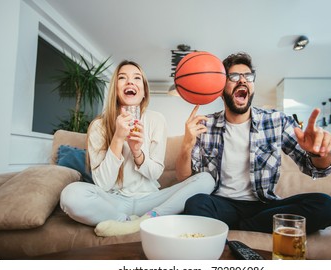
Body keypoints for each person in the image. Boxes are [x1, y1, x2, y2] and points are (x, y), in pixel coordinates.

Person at [176, 52, 331, 234]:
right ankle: (255, 225)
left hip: (264, 205)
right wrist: (186, 146)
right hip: (221, 205)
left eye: (248, 76)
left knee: (326, 206)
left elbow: (317, 168)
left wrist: (318, 153)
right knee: (195, 203)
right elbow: (185, 179)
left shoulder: (277, 121)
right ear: (221, 90)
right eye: (234, 77)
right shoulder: (205, 125)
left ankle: (244, 225)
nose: (242, 81)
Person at [60, 60, 215, 236]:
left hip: (150, 199)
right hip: (114, 200)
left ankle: (149, 219)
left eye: (136, 78)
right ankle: (126, 222)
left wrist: (137, 152)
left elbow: (155, 174)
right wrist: (118, 139)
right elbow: (103, 184)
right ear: (115, 90)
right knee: (70, 195)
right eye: (122, 78)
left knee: (206, 180)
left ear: (143, 92)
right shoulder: (99, 126)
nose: (130, 82)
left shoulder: (156, 120)